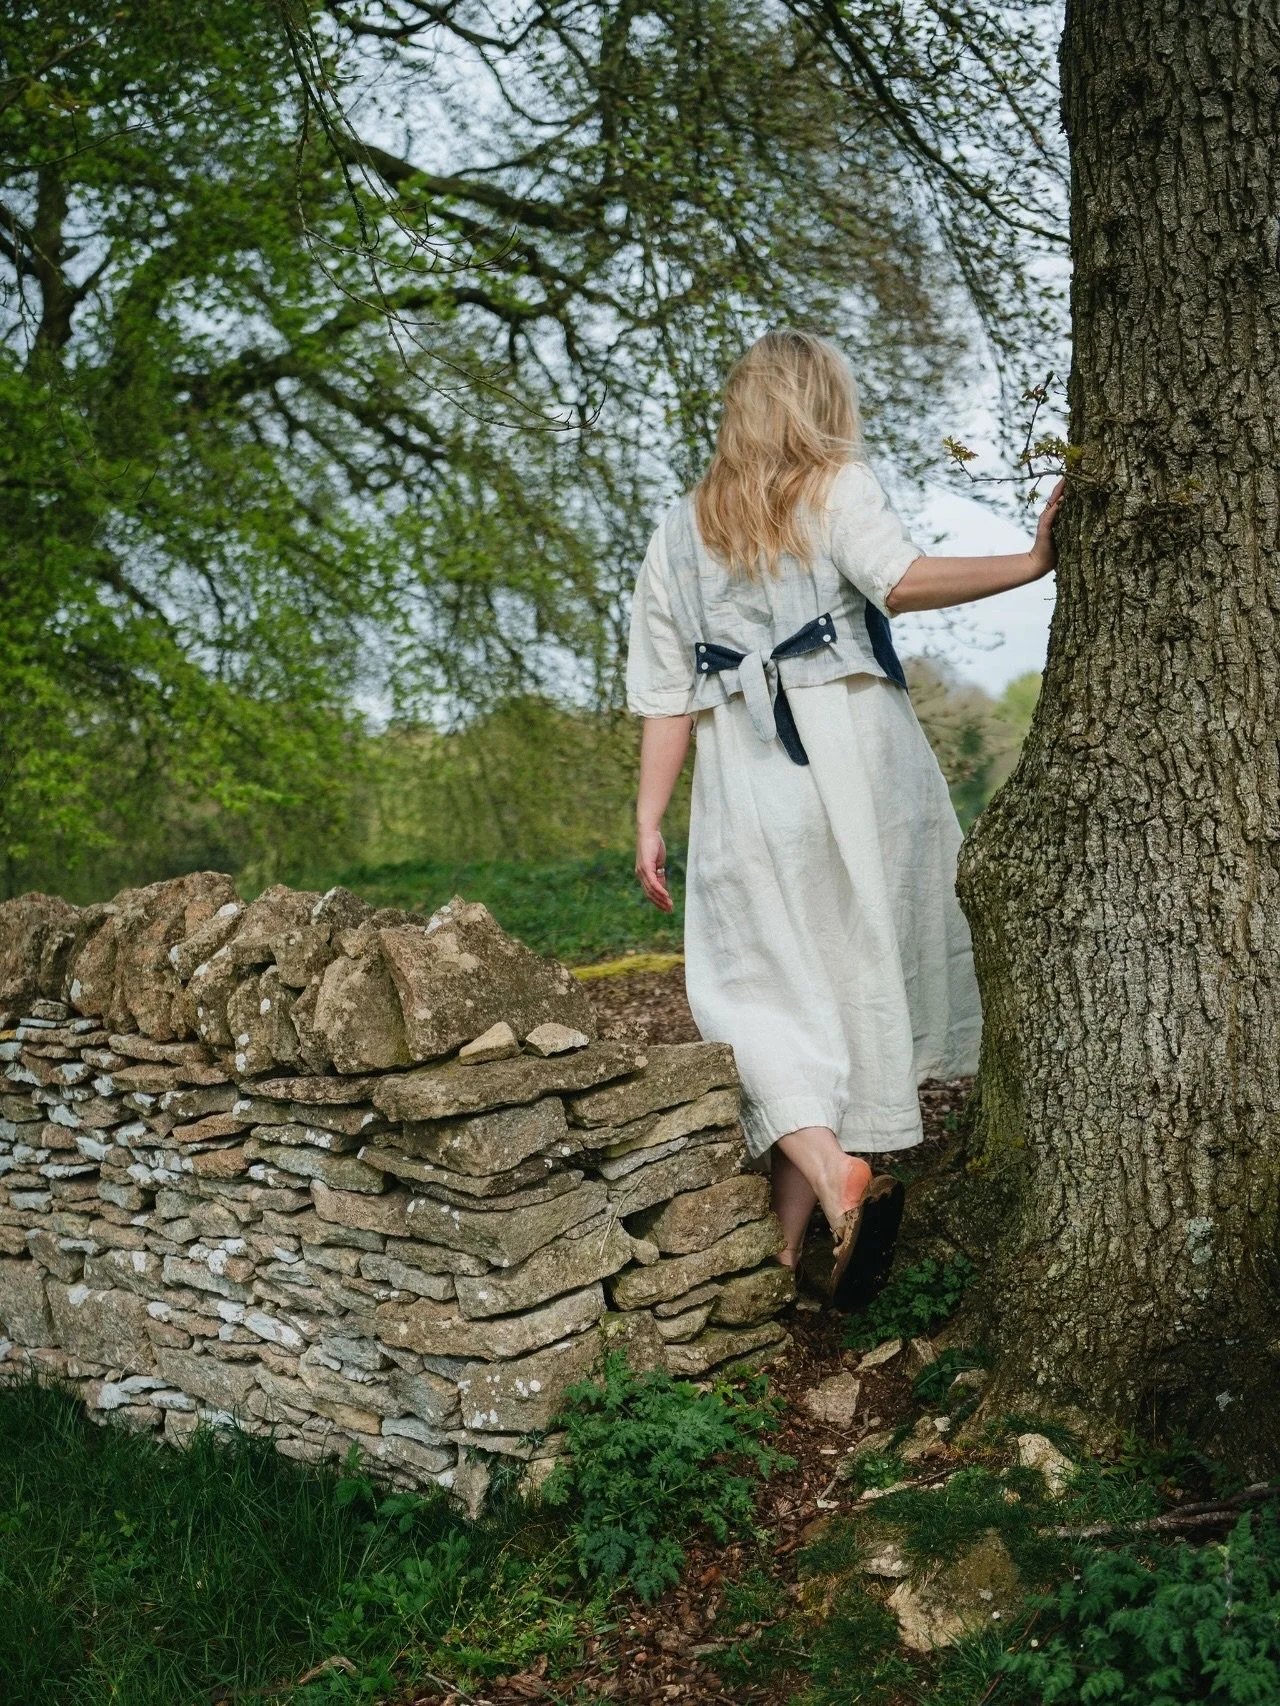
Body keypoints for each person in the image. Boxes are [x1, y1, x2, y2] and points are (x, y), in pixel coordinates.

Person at [626, 329, 1063, 1307]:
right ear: (818, 402)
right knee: (829, 989)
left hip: (743, 780)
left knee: (759, 999)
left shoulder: (675, 528)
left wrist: (651, 817)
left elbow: (664, 692)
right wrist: (1032, 561)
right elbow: (899, 581)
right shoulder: (834, 483)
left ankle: (795, 1251)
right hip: (856, 767)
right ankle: (836, 1178)